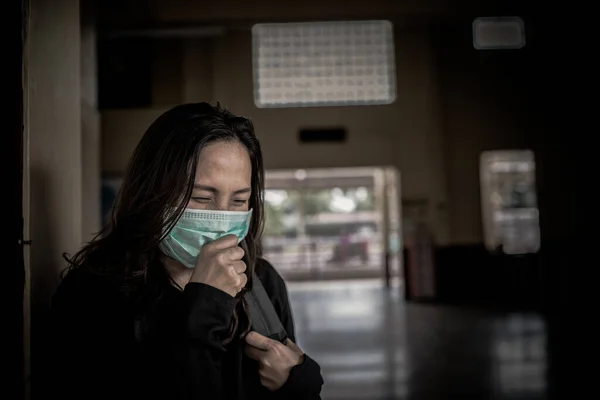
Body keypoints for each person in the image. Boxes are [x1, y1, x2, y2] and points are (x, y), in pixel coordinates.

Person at [42, 102, 324, 399]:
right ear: (154, 193)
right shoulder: (94, 296)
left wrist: (298, 381)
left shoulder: (262, 282)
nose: (222, 216)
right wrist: (206, 303)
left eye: (239, 201)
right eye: (203, 197)